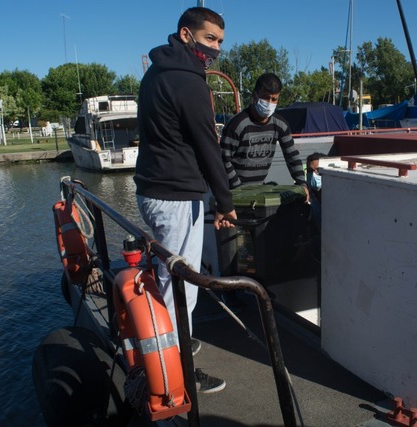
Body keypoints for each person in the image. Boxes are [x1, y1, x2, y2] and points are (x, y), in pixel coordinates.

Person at [134, 6, 237, 394]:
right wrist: (225, 204)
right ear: (185, 34)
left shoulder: (155, 73)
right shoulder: (190, 83)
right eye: (210, 39)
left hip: (153, 190)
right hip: (175, 197)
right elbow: (207, 147)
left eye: (220, 43)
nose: (215, 49)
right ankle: (174, 369)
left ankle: (173, 346)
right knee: (180, 285)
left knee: (169, 277)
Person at [220, 72, 309, 201]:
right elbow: (224, 160)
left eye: (274, 99)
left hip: (259, 190)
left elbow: (292, 156)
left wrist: (301, 183)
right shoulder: (237, 124)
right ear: (254, 96)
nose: (269, 103)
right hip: (232, 193)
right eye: (266, 98)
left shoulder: (280, 124)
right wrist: (238, 189)